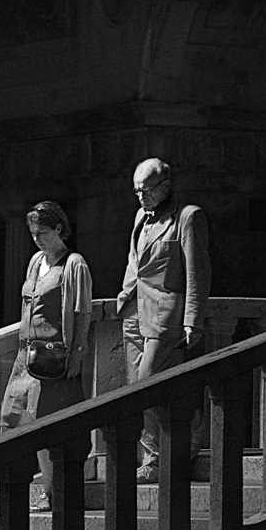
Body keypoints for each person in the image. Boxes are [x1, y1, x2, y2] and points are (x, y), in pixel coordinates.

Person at [115, 158, 211, 482]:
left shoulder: (187, 217)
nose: (140, 197)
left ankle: (188, 437)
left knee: (146, 384)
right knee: (136, 391)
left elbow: (198, 271)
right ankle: (154, 457)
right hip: (134, 310)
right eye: (136, 191)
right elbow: (135, 261)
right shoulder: (141, 216)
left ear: (165, 186)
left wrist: (193, 320)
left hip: (165, 312)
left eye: (146, 190)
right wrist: (124, 296)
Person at [0, 201, 93, 508]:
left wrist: (77, 352)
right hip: (26, 356)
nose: (37, 238)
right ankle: (19, 488)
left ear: (58, 229)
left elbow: (82, 313)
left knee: (47, 424)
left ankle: (51, 491)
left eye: (42, 232)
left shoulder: (74, 263)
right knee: (12, 418)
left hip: (54, 358)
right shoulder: (35, 261)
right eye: (32, 232)